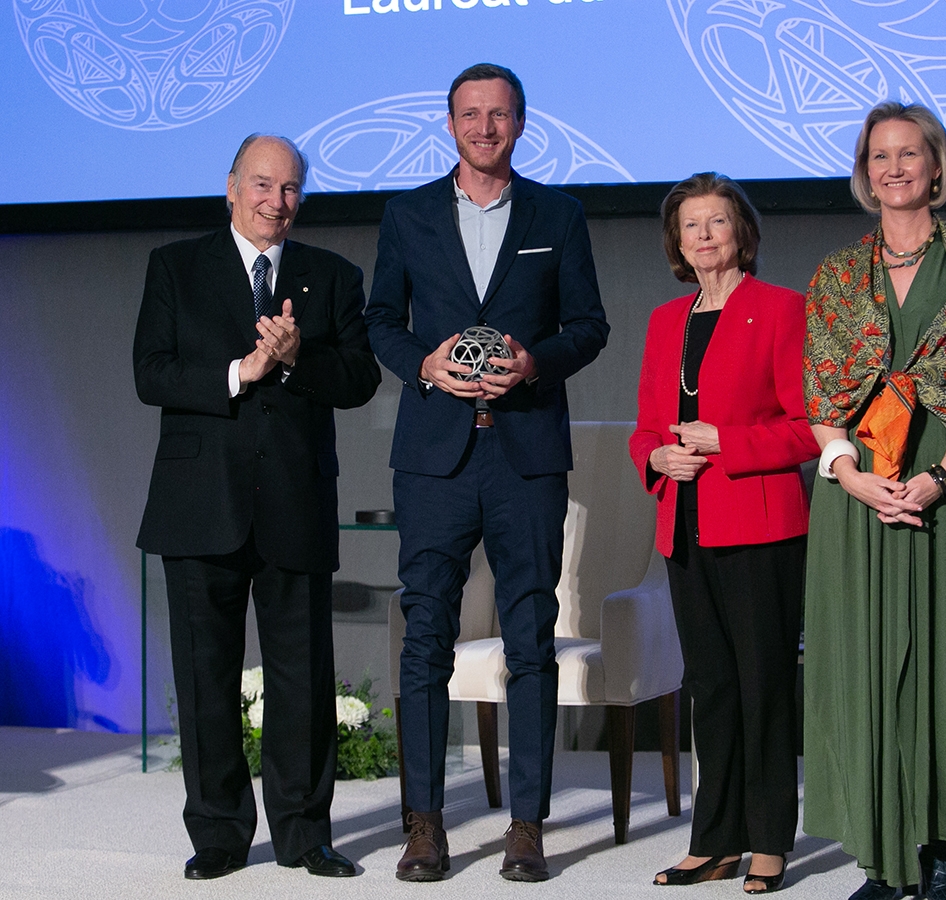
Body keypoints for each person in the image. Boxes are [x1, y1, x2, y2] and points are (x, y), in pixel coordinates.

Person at [364, 63, 609, 883]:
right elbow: (378, 322)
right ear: (449, 124)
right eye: (471, 114)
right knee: (426, 635)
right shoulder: (407, 215)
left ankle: (528, 826)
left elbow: (590, 326)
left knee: (530, 638)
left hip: (526, 454)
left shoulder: (559, 215)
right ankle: (425, 825)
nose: (484, 127)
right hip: (434, 458)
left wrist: (536, 362)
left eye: (499, 115)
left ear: (520, 123)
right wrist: (425, 364)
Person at [134, 134, 381, 880]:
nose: (278, 203)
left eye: (292, 189)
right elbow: (152, 373)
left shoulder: (330, 277)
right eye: (264, 186)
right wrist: (244, 370)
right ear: (233, 187)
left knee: (303, 677)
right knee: (205, 674)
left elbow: (362, 378)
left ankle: (306, 835)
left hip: (294, 503)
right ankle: (217, 835)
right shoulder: (176, 265)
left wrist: (300, 357)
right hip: (198, 501)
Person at [801, 101, 946, 900]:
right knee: (862, 669)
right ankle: (877, 856)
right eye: (879, 157)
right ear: (865, 173)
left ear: (936, 165)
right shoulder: (835, 275)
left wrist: (939, 478)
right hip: (858, 492)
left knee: (945, 664)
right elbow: (821, 396)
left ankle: (937, 856)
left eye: (909, 154)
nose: (893, 168)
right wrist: (850, 474)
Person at [630, 173, 819, 895]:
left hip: (760, 525)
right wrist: (656, 455)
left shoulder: (781, 309)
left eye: (717, 222)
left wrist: (723, 442)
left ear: (742, 231)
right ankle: (714, 840)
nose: (705, 236)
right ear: (676, 243)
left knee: (764, 684)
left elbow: (806, 429)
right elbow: (647, 425)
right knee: (709, 687)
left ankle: (770, 839)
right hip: (685, 523)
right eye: (691, 226)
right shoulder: (664, 319)